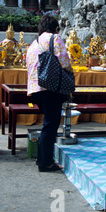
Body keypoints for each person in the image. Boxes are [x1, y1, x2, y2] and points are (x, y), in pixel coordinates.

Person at [26, 15, 73, 172]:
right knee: (50, 125)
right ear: (55, 28)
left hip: (36, 89)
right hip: (49, 88)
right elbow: (64, 60)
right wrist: (70, 73)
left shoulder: (33, 43)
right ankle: (45, 162)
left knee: (48, 123)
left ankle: (43, 158)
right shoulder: (54, 37)